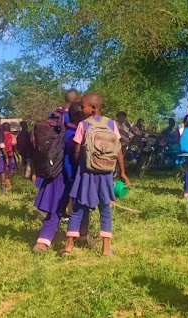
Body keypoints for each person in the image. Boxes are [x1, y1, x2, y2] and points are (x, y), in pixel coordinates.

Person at [61, 93, 131, 256]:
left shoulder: (83, 125)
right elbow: (118, 149)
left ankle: (68, 247)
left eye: (83, 106)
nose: (81, 108)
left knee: (77, 207)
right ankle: (106, 249)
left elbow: (77, 150)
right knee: (105, 209)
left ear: (92, 109)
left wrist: (78, 162)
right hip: (106, 174)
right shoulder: (111, 124)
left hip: (86, 173)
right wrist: (123, 172)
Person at [33, 102, 94, 252]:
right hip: (70, 175)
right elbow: (70, 161)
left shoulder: (62, 127)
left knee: (55, 210)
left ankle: (43, 242)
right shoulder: (75, 135)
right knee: (82, 205)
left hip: (56, 176)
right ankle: (82, 235)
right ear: (81, 116)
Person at [2, 123, 17, 190]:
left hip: (2, 154)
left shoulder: (0, 135)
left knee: (4, 169)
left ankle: (6, 182)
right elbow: (14, 144)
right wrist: (16, 152)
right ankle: (8, 182)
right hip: (10, 154)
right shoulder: (11, 136)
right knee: (12, 169)